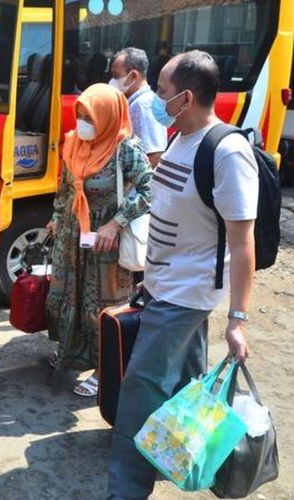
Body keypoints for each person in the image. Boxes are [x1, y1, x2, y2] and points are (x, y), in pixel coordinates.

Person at [107, 50, 256, 499]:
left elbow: (241, 241)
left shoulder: (226, 152)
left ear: (186, 98)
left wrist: (238, 319)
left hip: (185, 295)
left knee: (139, 388)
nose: (156, 100)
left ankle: (126, 490)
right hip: (161, 286)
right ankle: (191, 460)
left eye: (164, 93)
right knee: (188, 384)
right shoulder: (179, 137)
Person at [45, 83, 152, 397]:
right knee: (66, 298)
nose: (82, 122)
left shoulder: (125, 148)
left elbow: (149, 189)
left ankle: (104, 369)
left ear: (107, 115)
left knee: (102, 307)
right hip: (71, 234)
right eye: (79, 114)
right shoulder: (72, 142)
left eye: (89, 116)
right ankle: (70, 353)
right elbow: (65, 188)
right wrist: (56, 216)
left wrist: (116, 224)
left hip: (106, 241)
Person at [110, 47, 167, 168]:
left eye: (116, 75)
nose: (112, 81)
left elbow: (154, 155)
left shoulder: (143, 105)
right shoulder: (135, 102)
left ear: (133, 76)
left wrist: (132, 185)